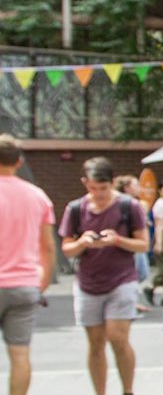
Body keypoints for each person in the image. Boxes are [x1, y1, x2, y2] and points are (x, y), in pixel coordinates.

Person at [59, 156, 149, 395]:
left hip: (121, 279)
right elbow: (66, 248)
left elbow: (143, 245)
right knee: (96, 343)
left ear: (112, 183)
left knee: (117, 337)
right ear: (84, 183)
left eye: (103, 188)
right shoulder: (75, 209)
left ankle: (127, 390)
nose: (98, 193)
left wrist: (117, 240)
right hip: (88, 282)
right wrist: (82, 242)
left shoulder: (129, 206)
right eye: (92, 188)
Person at [0, 135, 55, 395]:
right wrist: (41, 283)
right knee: (20, 354)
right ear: (19, 161)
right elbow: (48, 246)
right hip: (25, 284)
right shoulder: (38, 196)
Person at [114, 176, 150, 313]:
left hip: (139, 242)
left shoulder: (136, 203)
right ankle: (130, 302)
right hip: (129, 244)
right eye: (136, 185)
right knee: (137, 272)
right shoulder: (121, 203)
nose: (139, 188)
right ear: (127, 188)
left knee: (141, 272)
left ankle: (131, 300)